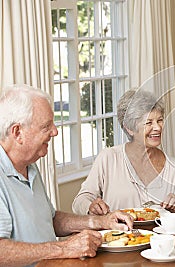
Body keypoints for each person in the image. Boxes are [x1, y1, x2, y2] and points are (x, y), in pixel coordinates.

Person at [0, 85, 135, 267]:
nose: (55, 131)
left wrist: (100, 222)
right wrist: (64, 248)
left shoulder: (29, 166)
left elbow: (51, 219)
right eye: (46, 126)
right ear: (18, 133)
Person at [73, 89, 175, 215]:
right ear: (129, 128)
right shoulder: (109, 158)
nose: (158, 127)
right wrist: (90, 206)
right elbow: (80, 201)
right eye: (149, 122)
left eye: (159, 120)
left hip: (163, 235)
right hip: (117, 233)